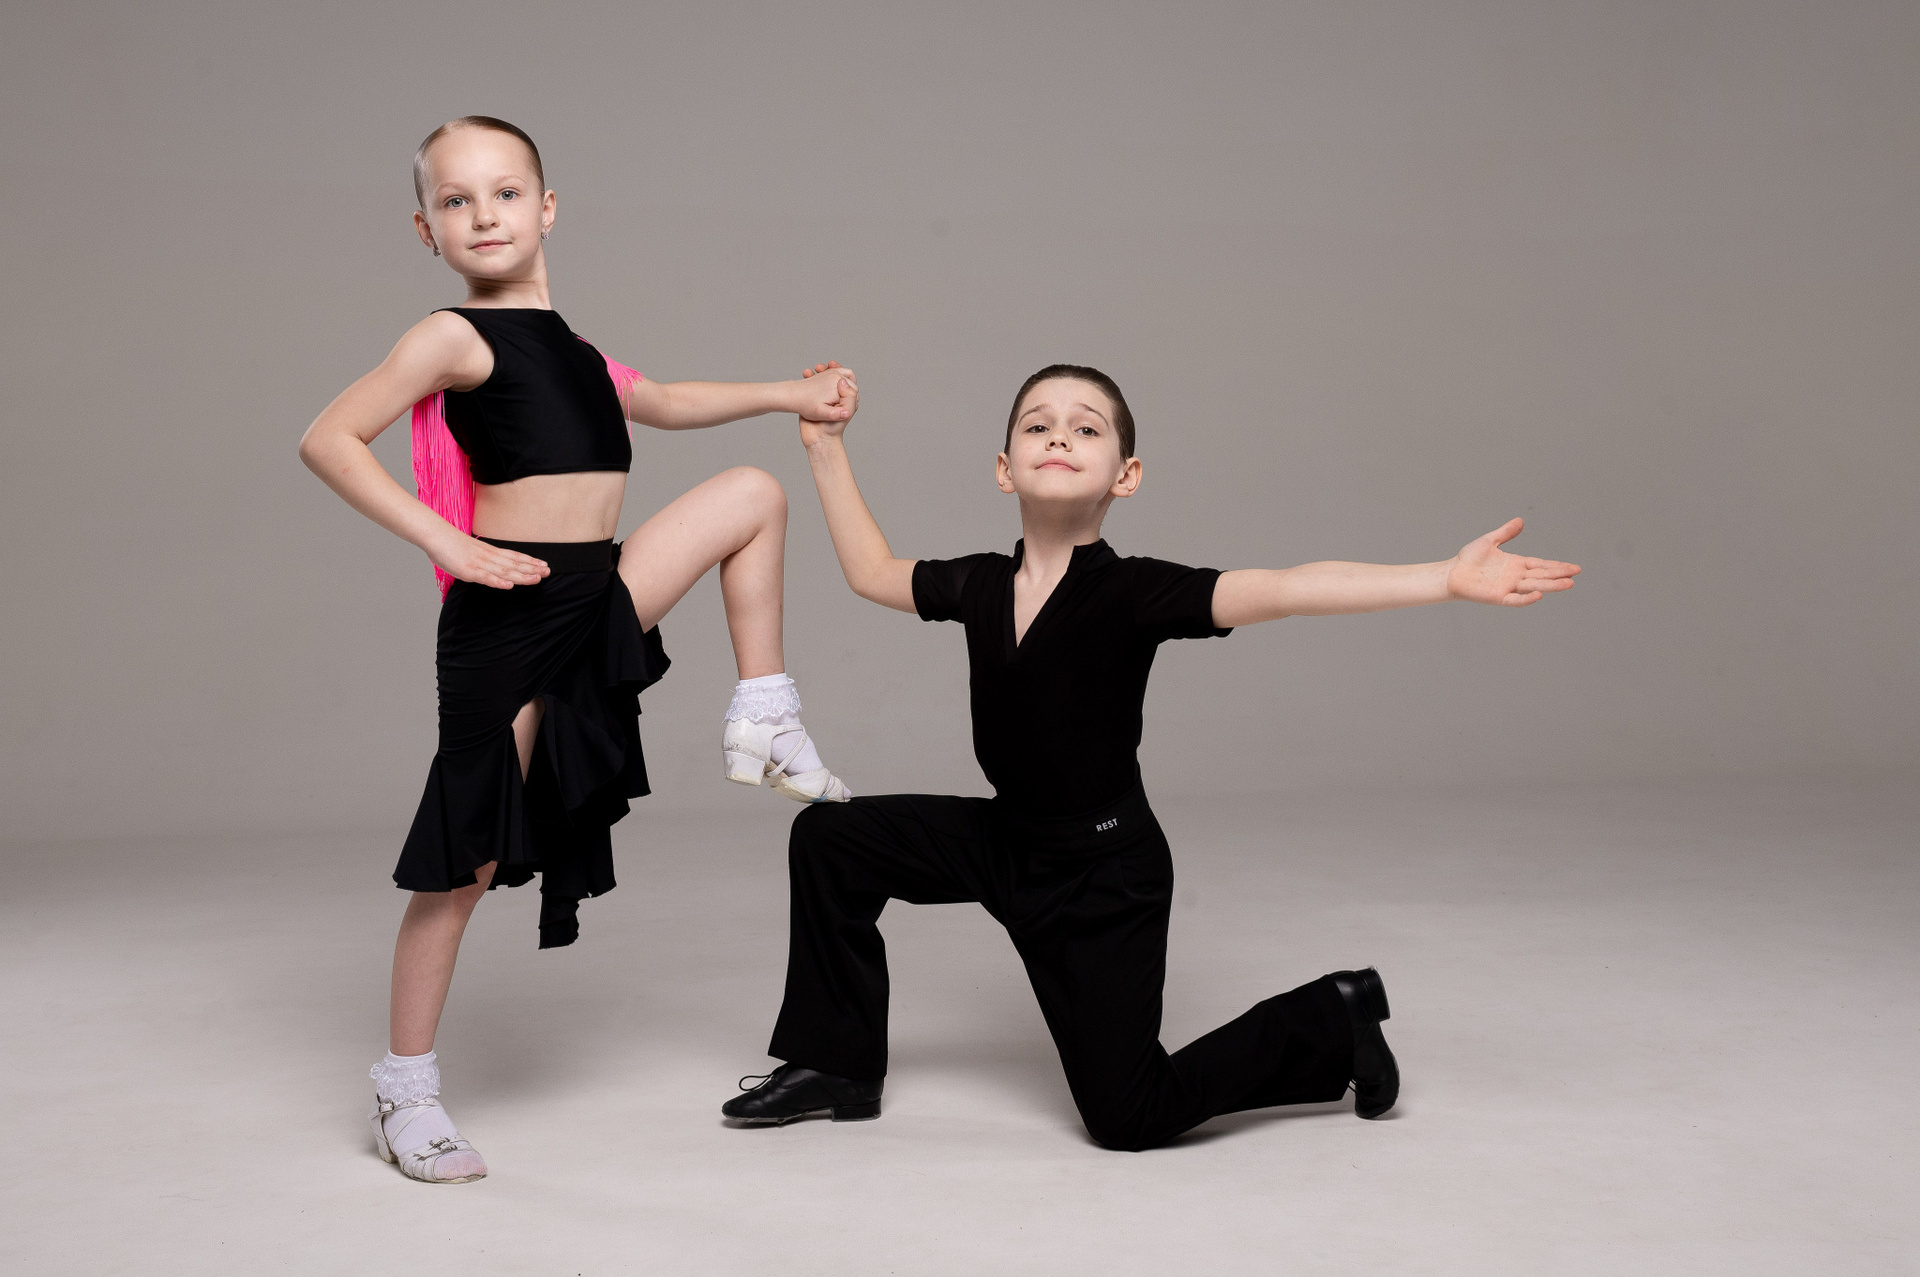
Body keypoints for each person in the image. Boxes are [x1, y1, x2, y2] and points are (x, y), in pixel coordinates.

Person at [720, 362, 1580, 1150]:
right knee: (832, 840)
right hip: (1006, 842)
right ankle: (836, 1065)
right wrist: (825, 445)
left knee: (1129, 1116)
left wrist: (1442, 576)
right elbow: (871, 570)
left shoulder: (1134, 592)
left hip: (1103, 874)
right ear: (1005, 467)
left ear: (1125, 476)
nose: (1059, 436)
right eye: (1038, 425)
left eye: (1086, 428)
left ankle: (1335, 1014)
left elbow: (1285, 588)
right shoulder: (979, 583)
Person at [298, 116, 860, 1183]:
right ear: (426, 229)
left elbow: (663, 401)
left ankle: (765, 714)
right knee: (464, 863)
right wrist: (445, 541)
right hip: (508, 620)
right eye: (456, 201)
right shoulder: (452, 336)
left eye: (506, 193)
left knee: (753, 492)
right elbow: (328, 436)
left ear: (547, 208)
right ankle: (404, 1087)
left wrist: (791, 394)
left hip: (594, 592)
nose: (484, 215)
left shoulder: (576, 349)